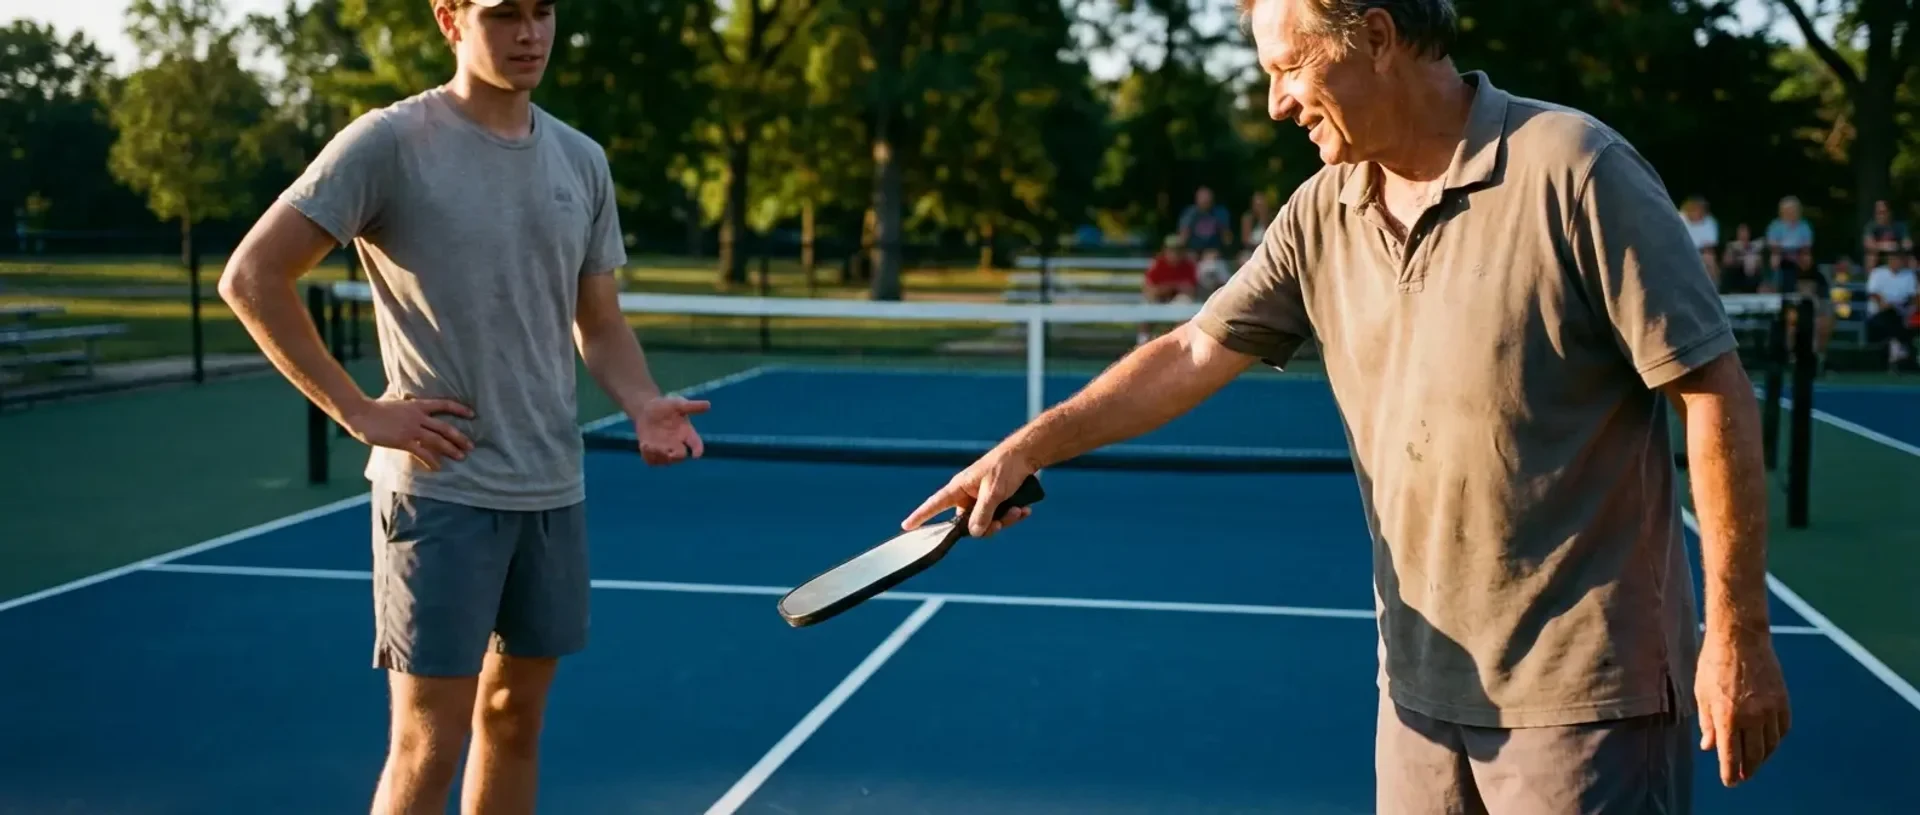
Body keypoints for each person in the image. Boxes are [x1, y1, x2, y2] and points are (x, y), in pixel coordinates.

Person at [901, 1, 1790, 812]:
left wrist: (1739, 634)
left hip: (1585, 701)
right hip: (1416, 701)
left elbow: (1711, 394)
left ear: (1375, 34)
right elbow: (1191, 351)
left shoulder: (1576, 169)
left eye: (1290, 69)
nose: (1278, 103)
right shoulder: (1321, 211)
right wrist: (1027, 449)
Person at [217, 1, 708, 812]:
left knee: (514, 719)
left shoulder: (580, 160)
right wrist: (357, 410)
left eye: (544, 12)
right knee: (429, 742)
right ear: (450, 20)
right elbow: (252, 276)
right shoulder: (388, 143)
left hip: (552, 486)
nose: (529, 33)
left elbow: (601, 321)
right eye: (503, 13)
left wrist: (644, 401)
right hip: (440, 492)